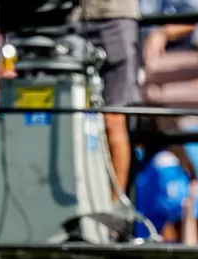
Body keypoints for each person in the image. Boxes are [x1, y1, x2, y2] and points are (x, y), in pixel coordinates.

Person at [78, 0, 140, 193]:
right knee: (68, 117)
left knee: (113, 120)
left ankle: (114, 208)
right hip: (71, 20)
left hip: (114, 18)